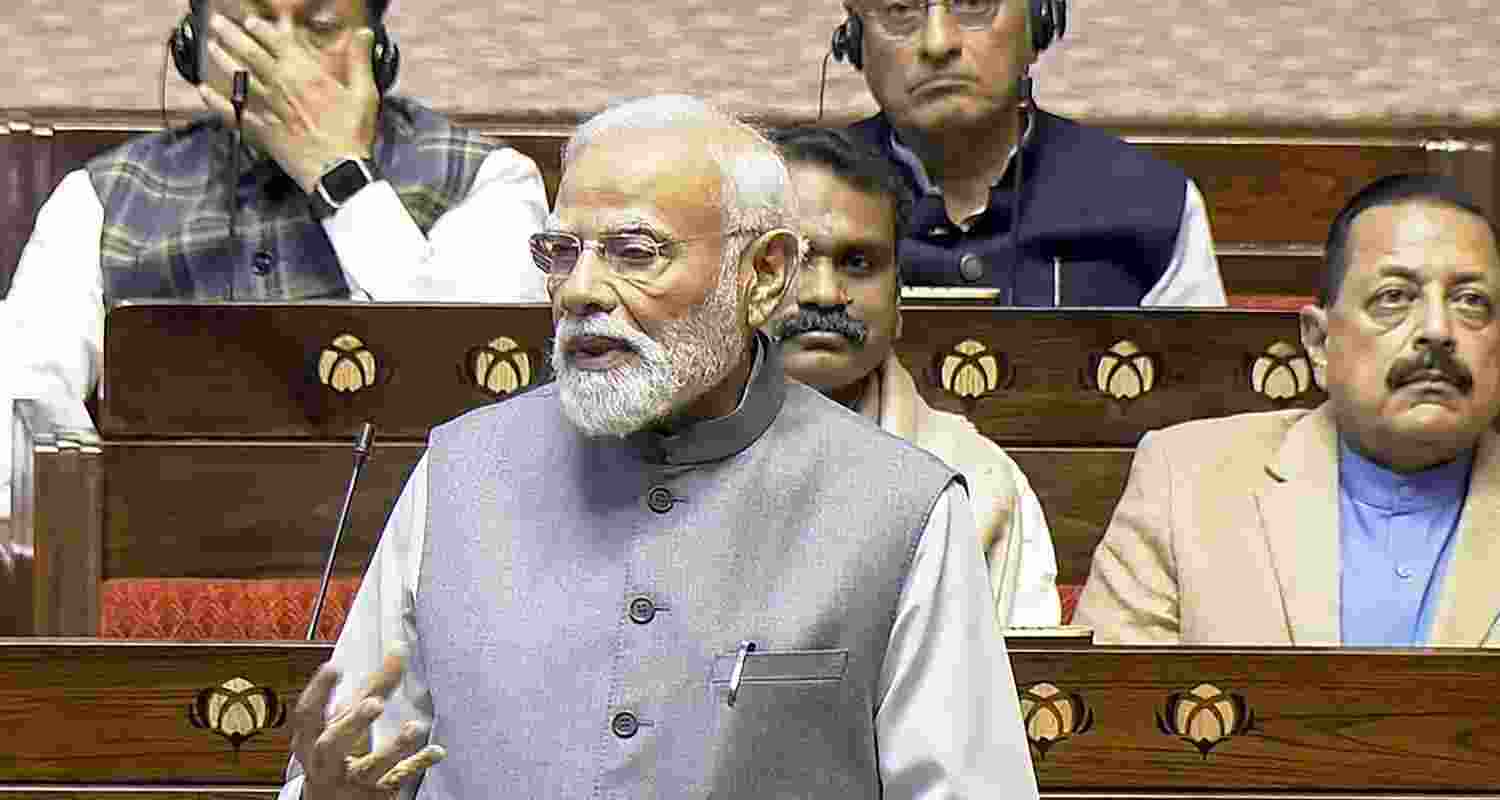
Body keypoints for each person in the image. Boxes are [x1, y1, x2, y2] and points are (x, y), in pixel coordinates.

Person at [279, 96, 1038, 799]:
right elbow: (346, 764)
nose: (579, 290)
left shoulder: (901, 507)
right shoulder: (457, 472)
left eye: (633, 252)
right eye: (559, 252)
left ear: (764, 275)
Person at [0, 0, 548, 517]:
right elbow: (22, 405)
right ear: (193, 46)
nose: (284, 62)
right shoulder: (99, 197)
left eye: (321, 26)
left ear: (378, 50)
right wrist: (80, 530)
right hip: (164, 557)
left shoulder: (489, 181)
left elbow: (481, 401)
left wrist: (339, 175)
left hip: (416, 551)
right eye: (251, 25)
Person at [1074, 174, 1500, 647]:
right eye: (1394, 298)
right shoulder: (1184, 481)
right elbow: (1116, 709)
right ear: (1319, 343)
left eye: (1471, 301)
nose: (1438, 330)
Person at [768, 126, 1060, 627]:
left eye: (858, 263)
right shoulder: (657, 456)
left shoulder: (977, 478)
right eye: (795, 260)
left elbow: (1016, 690)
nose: (824, 293)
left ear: (899, 298)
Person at [834, 0, 1225, 306]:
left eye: (974, 3)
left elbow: (1204, 393)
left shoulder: (1154, 202)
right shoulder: (798, 196)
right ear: (855, 40)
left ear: (1038, 23)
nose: (938, 43)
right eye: (899, 10)